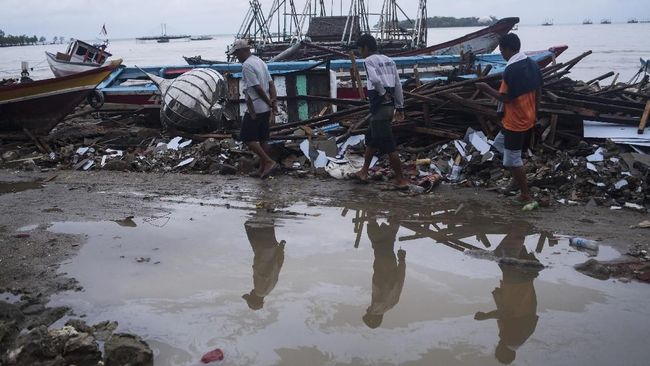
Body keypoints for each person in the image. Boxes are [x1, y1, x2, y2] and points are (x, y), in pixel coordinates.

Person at [476, 33, 543, 205]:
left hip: (515, 120)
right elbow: (538, 90)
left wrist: (485, 88)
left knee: (511, 159)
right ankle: (515, 180)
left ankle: (525, 194)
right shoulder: (532, 64)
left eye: (501, 50)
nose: (501, 54)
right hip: (527, 116)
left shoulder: (511, 69)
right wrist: (535, 113)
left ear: (507, 49)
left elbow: (505, 98)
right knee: (499, 144)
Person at [474, 222, 541, 364]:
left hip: (523, 286)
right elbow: (506, 313)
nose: (496, 347)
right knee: (504, 258)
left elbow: (507, 314)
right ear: (502, 350)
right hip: (516, 287)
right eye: (498, 350)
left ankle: (519, 231)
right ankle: (519, 228)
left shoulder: (521, 337)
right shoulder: (510, 338)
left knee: (510, 259)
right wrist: (485, 316)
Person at [354, 34, 409, 190]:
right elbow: (398, 84)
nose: (360, 53)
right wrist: (400, 106)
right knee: (371, 138)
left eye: (360, 49)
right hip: (389, 107)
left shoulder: (368, 61)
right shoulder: (389, 61)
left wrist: (382, 92)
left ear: (365, 48)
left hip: (379, 106)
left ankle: (400, 179)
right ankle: (364, 172)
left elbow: (375, 80)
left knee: (388, 144)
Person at [228, 39, 279, 178]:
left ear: (244, 51)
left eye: (237, 54)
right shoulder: (259, 61)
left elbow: (257, 88)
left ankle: (268, 162)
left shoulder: (247, 66)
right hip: (265, 107)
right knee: (262, 138)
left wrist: (269, 102)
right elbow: (271, 83)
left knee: (247, 137)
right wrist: (273, 102)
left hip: (255, 107)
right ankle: (262, 169)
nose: (236, 57)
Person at [362, 216, 406, 329]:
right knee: (378, 242)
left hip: (385, 265)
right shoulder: (379, 305)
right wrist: (401, 260)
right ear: (372, 315)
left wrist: (401, 261)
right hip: (384, 266)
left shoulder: (389, 305)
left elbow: (399, 281)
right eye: (367, 312)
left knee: (383, 243)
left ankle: (393, 222)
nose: (367, 309)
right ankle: (383, 220)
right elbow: (397, 282)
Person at [242, 213, 285, 311]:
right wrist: (280, 249)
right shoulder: (260, 290)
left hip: (270, 248)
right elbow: (267, 268)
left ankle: (267, 207)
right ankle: (265, 205)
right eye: (250, 296)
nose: (250, 292)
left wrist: (281, 249)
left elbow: (277, 266)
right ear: (254, 298)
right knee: (251, 224)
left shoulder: (268, 289)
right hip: (264, 249)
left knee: (266, 221)